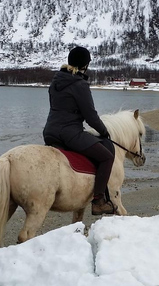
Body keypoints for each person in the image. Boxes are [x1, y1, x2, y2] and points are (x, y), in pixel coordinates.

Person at [42, 46, 116, 215]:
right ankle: (98, 201)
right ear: (85, 65)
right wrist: (104, 132)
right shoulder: (79, 84)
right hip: (70, 134)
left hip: (50, 132)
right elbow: (90, 116)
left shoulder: (55, 82)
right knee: (106, 157)